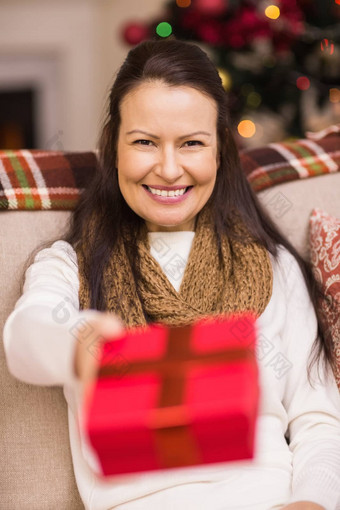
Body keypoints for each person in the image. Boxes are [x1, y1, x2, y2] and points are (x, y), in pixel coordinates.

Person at [3, 37, 340, 510]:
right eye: (144, 142)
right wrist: (80, 341)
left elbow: (320, 421)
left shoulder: (270, 266)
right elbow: (24, 341)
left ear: (219, 151)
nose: (167, 168)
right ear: (114, 147)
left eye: (191, 144)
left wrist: (312, 503)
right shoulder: (73, 266)